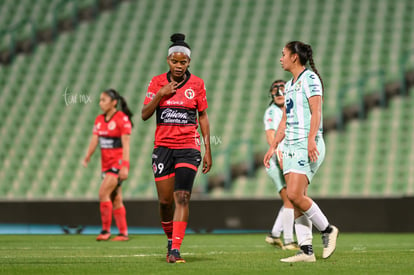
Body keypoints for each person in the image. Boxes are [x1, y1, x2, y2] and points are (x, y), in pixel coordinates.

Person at [264, 41, 339, 263]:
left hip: (306, 144)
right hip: (290, 146)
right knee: (296, 199)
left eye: (283, 54)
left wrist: (310, 140)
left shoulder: (310, 79)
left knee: (294, 195)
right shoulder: (289, 84)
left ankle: (327, 229)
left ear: (294, 57)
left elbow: (317, 111)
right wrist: (273, 146)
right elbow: (285, 120)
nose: (281, 58)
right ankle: (306, 251)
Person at [141, 33, 212, 264]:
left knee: (182, 196)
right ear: (168, 61)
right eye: (175, 61)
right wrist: (161, 95)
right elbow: (144, 114)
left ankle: (176, 249)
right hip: (163, 147)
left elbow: (202, 116)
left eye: (183, 62)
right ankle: (171, 239)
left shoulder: (197, 84)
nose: (179, 66)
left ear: (189, 62)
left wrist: (208, 148)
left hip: (188, 147)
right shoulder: (156, 82)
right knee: (164, 202)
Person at [83, 89, 133, 241]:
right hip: (105, 165)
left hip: (117, 164)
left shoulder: (122, 119)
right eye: (100, 100)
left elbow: (126, 144)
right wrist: (88, 156)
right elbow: (94, 140)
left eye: (104, 100)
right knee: (116, 198)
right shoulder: (99, 119)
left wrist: (125, 166)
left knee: (103, 193)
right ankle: (123, 233)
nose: (100, 103)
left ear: (114, 103)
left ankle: (105, 231)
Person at [263, 80, 299, 251]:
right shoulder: (271, 112)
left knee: (290, 198)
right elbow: (270, 135)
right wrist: (278, 153)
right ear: (271, 94)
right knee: (290, 200)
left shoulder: (292, 110)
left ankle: (275, 235)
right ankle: (288, 240)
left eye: (282, 90)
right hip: (276, 162)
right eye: (275, 90)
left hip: (289, 157)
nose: (279, 93)